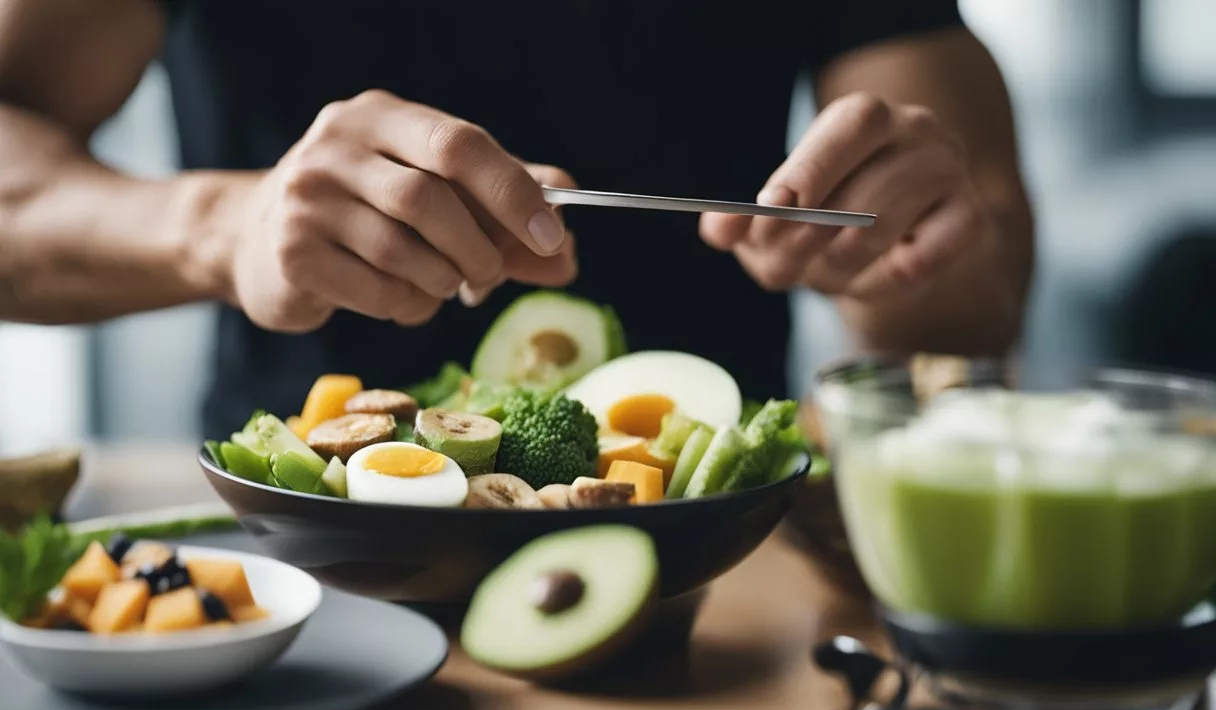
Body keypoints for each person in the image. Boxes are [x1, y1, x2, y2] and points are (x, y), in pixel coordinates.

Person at [0, 1, 1033, 439]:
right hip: (307, 560)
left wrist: (915, 244)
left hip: (715, 566)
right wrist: (226, 227)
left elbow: (970, 305)